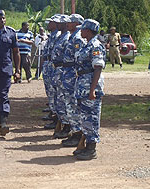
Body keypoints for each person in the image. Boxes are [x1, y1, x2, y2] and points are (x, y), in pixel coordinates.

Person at [73, 19, 105, 160]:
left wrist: (92, 90)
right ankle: (86, 145)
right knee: (84, 117)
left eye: (83, 29)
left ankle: (92, 149)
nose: (81, 31)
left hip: (90, 87)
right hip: (82, 86)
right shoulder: (87, 44)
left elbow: (97, 68)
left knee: (91, 117)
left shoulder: (95, 45)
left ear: (88, 30)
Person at [59, 14, 86, 145]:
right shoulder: (72, 37)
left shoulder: (78, 38)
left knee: (73, 105)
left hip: (72, 75)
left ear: (76, 24)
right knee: (69, 104)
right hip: (67, 74)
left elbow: (80, 59)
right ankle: (75, 132)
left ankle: (78, 134)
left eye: (70, 22)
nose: (67, 24)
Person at [50, 15, 71, 138]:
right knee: (59, 99)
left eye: (60, 23)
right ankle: (63, 123)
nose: (57, 25)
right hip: (57, 69)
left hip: (63, 70)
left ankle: (67, 126)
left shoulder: (67, 38)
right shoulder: (60, 37)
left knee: (64, 100)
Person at [42, 14, 61, 130]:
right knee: (50, 90)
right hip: (48, 64)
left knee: (55, 92)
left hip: (54, 66)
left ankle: (56, 117)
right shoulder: (52, 35)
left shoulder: (58, 36)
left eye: (51, 22)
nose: (48, 24)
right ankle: (53, 113)